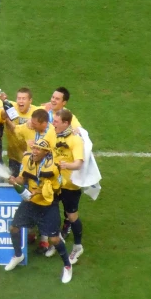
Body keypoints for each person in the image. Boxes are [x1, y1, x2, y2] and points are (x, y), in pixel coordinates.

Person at [5, 139, 72, 283]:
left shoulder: (53, 168)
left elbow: (55, 189)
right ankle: (18, 255)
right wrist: (14, 180)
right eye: (34, 148)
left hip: (48, 205)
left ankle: (67, 266)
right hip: (31, 203)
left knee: (54, 239)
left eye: (38, 149)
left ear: (46, 152)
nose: (34, 151)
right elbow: (22, 178)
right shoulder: (28, 160)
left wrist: (38, 192)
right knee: (14, 228)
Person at [52, 109, 85, 264]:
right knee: (49, 208)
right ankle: (56, 239)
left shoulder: (75, 140)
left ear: (66, 123)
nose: (54, 123)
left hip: (70, 185)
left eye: (56, 121)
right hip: (54, 182)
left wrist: (67, 165)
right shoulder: (53, 134)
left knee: (71, 216)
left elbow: (79, 163)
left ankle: (77, 246)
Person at [3, 87, 38, 176]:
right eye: (19, 98)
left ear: (30, 100)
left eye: (24, 99)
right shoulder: (11, 107)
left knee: (30, 185)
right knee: (14, 184)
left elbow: (52, 112)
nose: (20, 101)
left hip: (30, 156)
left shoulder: (36, 112)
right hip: (14, 156)